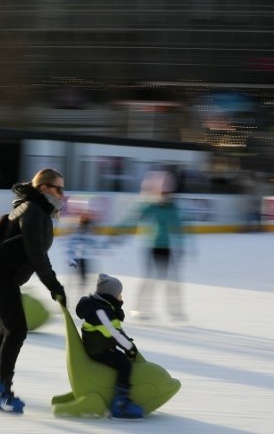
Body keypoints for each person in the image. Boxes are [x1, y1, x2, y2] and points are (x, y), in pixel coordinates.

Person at [0, 168, 67, 414]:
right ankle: (2, 392)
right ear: (44, 188)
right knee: (16, 329)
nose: (62, 195)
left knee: (8, 326)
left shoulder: (37, 209)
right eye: (59, 189)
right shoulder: (33, 211)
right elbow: (37, 255)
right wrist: (54, 286)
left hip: (3, 277)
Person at [75, 273, 143, 420]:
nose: (121, 297)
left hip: (100, 347)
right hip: (98, 351)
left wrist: (128, 345)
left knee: (123, 358)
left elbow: (115, 330)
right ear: (111, 295)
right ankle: (120, 404)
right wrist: (130, 348)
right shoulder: (100, 312)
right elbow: (114, 333)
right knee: (124, 364)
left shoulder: (102, 307)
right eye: (119, 293)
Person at [133, 170, 185, 321]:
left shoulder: (172, 208)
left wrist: (181, 246)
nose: (165, 194)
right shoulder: (150, 206)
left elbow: (179, 228)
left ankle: (175, 309)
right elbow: (134, 217)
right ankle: (140, 308)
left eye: (167, 191)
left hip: (167, 247)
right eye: (162, 191)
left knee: (172, 280)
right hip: (152, 246)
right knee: (149, 279)